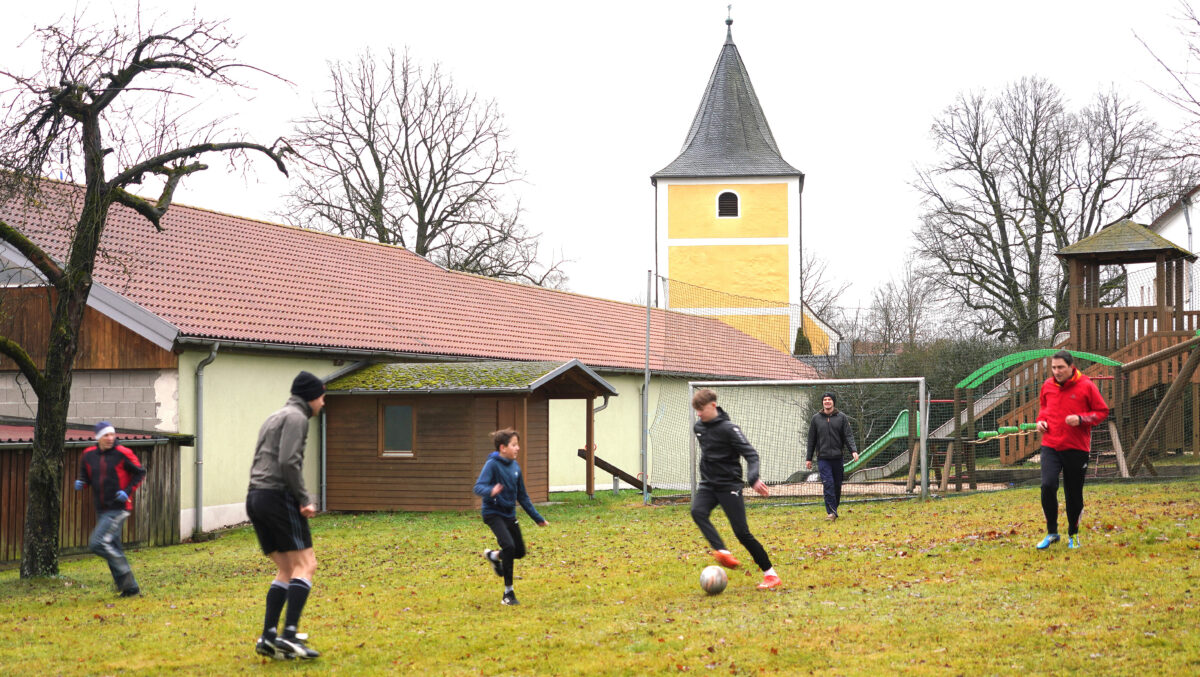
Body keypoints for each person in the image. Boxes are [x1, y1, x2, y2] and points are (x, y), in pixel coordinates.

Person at [246, 371, 325, 660]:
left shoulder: (274, 416)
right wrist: (304, 499)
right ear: (311, 396)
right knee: (307, 564)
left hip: (256, 496)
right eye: (322, 396)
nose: (323, 403)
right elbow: (288, 461)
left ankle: (268, 636)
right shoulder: (297, 418)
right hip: (278, 496)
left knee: (287, 569)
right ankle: (290, 636)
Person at [689, 388, 780, 590]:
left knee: (742, 533)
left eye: (701, 409)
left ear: (713, 406)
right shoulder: (698, 427)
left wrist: (753, 479)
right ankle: (722, 551)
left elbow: (751, 454)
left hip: (729, 485)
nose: (698, 414)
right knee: (697, 511)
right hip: (708, 484)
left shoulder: (730, 429)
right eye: (696, 410)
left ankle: (771, 575)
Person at [1034, 350, 1108, 550]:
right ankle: (1052, 533)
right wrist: (1040, 422)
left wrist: (1081, 419)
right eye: (1053, 368)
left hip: (1076, 448)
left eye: (1060, 368)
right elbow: (1043, 408)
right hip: (1050, 445)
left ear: (1071, 366)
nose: (1056, 371)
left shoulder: (1086, 386)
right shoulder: (1047, 386)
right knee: (1047, 486)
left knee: (1073, 494)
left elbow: (1102, 412)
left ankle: (1073, 535)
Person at [473, 428, 548, 606]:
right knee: (508, 545)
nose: (518, 448)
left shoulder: (515, 467)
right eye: (514, 445)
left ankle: (493, 555)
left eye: (517, 444)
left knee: (519, 551)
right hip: (493, 513)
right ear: (502, 448)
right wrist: (491, 491)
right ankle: (508, 594)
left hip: (509, 514)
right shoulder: (492, 464)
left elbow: (522, 496)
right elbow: (478, 487)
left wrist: (537, 518)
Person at [74, 420, 147, 597]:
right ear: (98, 437)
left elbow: (140, 472)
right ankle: (130, 589)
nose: (110, 438)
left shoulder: (123, 453)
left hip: (119, 507)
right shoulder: (88, 454)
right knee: (112, 545)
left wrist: (127, 492)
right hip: (101, 508)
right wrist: (82, 482)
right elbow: (87, 474)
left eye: (112, 434)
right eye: (106, 435)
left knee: (98, 543)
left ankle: (125, 578)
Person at [805, 392, 859, 521]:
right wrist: (808, 458)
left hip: (837, 457)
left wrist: (854, 451)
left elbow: (848, 435)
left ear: (833, 402)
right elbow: (811, 439)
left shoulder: (842, 418)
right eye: (825, 400)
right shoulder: (816, 419)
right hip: (823, 458)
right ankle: (831, 512)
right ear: (822, 402)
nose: (827, 401)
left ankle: (834, 509)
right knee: (828, 483)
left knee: (836, 485)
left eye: (829, 399)